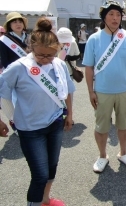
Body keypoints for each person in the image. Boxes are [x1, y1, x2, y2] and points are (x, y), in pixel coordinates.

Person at [0, 17, 75, 206]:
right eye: (40, 55)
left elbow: (67, 92)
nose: (44, 60)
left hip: (55, 123)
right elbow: (2, 93)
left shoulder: (58, 64)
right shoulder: (18, 68)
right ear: (31, 47)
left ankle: (45, 200)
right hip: (30, 129)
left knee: (51, 168)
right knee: (39, 175)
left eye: (49, 55)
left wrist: (70, 115)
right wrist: (2, 119)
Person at [83, 0, 126, 173]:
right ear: (104, 17)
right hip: (102, 91)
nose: (115, 18)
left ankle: (123, 153)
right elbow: (89, 68)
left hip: (124, 90)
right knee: (101, 126)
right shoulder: (94, 39)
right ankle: (102, 156)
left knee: (124, 125)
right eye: (111, 14)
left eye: (118, 15)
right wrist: (90, 91)